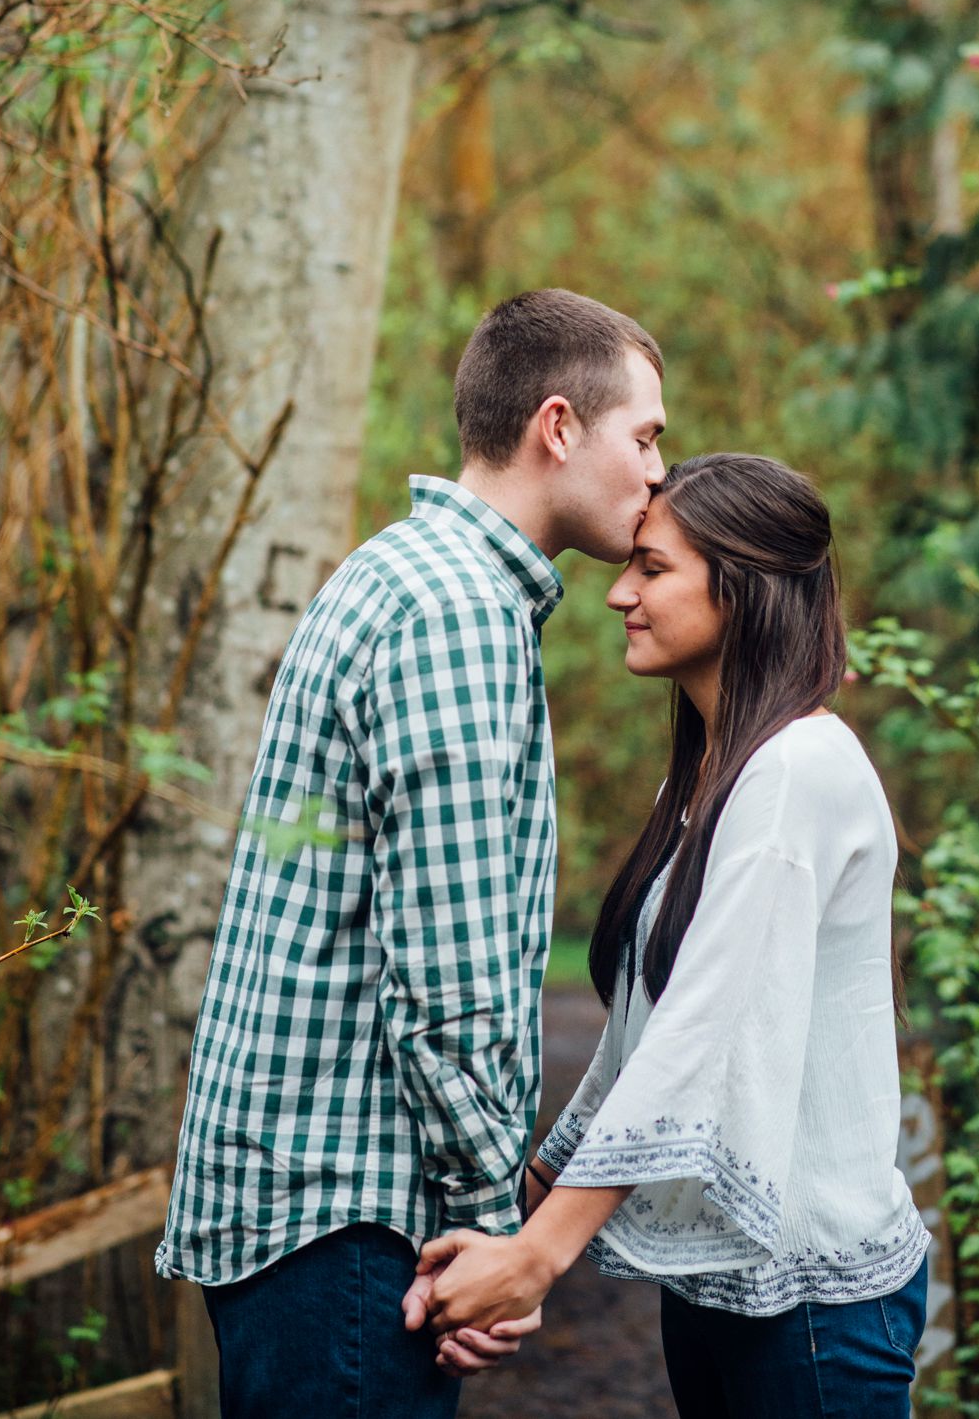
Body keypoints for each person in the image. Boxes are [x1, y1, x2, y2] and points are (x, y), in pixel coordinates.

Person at [156, 289, 667, 1418]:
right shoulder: (456, 614)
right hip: (350, 1227)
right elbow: (453, 982)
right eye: (644, 435)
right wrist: (497, 1238)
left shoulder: (408, 572)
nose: (656, 473)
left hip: (309, 1218)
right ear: (557, 426)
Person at [409, 453, 930, 1417]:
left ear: (742, 587)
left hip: (816, 1307)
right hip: (718, 1296)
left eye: (653, 568)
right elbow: (638, 1038)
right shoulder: (709, 782)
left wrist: (540, 1254)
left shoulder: (800, 768)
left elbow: (702, 1029)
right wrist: (519, 1203)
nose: (618, 593)